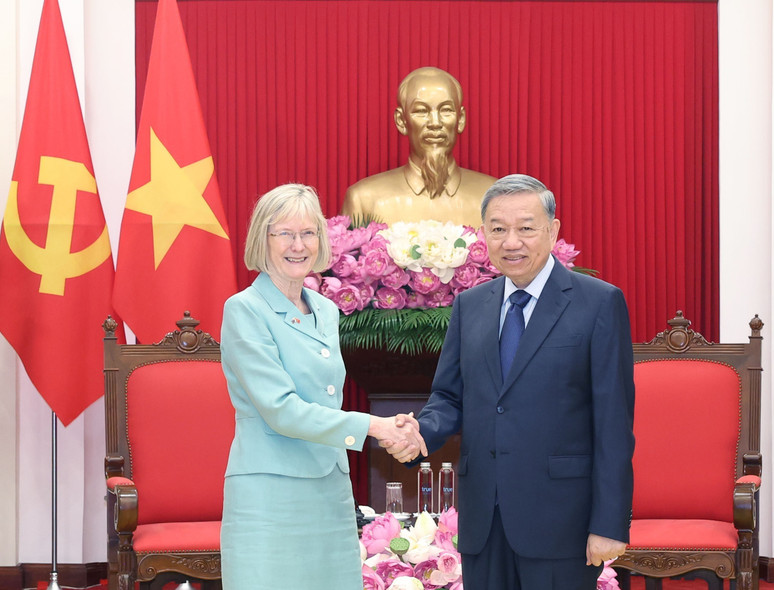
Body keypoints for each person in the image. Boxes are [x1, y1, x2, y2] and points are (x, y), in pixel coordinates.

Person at [386, 174, 635, 590]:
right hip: (484, 519)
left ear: (553, 230)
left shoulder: (598, 303)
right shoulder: (470, 306)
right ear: (484, 234)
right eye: (498, 229)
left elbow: (613, 423)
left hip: (561, 522)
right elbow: (449, 396)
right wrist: (420, 435)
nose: (511, 242)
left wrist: (609, 523)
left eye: (526, 228)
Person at [219, 184, 427, 590]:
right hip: (271, 495)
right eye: (285, 234)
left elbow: (325, 399)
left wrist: (388, 427)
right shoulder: (243, 309)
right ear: (263, 238)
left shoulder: (327, 310)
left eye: (309, 232)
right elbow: (281, 409)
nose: (299, 245)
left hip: (329, 491)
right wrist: (376, 426)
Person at [342, 66, 496, 229]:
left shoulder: (494, 197)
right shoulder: (363, 200)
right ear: (401, 121)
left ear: (461, 119)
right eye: (421, 111)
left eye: (446, 110)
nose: (435, 123)